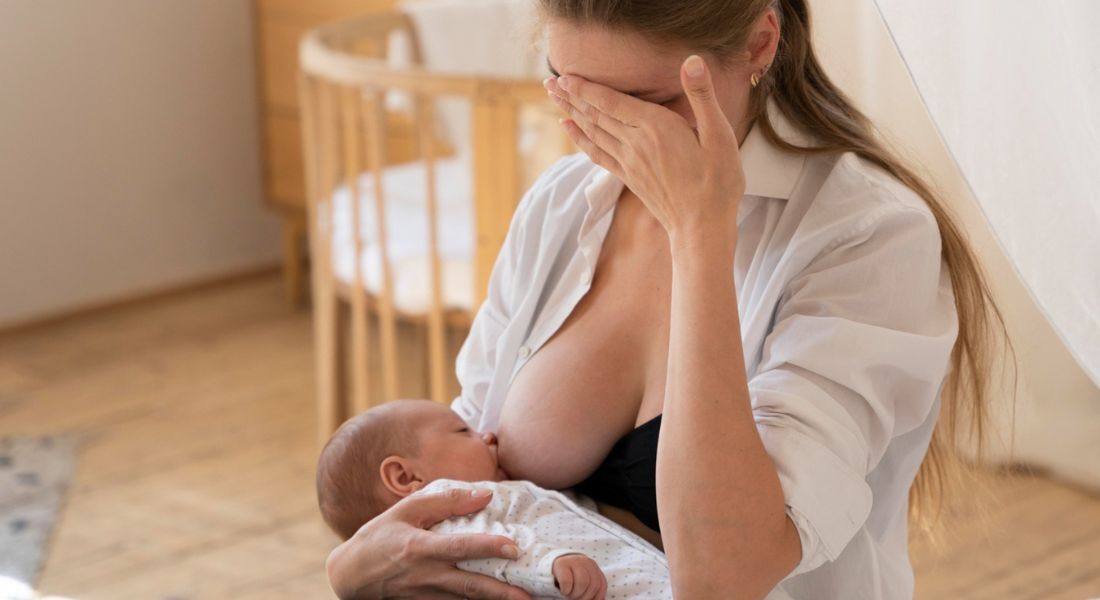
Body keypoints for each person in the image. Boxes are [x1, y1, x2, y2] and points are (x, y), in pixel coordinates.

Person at [324, 0, 1012, 598]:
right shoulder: (563, 205)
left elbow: (723, 578)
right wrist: (352, 568)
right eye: (573, 92)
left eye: (648, 107)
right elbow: (468, 488)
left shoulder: (868, 236)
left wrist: (699, 233)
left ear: (759, 45)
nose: (607, 135)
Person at [315, 399, 671, 599]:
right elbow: (498, 550)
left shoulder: (490, 495)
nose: (487, 434)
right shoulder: (446, 514)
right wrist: (550, 564)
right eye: (462, 430)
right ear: (406, 478)